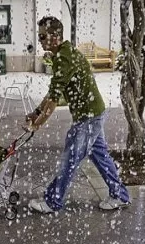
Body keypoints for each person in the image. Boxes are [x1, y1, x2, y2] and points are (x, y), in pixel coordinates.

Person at [26, 16, 131, 213]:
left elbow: (55, 98)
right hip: (93, 113)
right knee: (100, 156)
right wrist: (37, 112)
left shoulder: (64, 58)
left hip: (89, 117)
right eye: (39, 36)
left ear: (55, 37)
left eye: (42, 36)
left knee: (70, 160)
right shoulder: (62, 55)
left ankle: (52, 202)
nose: (39, 40)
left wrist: (37, 125)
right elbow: (53, 92)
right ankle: (120, 195)